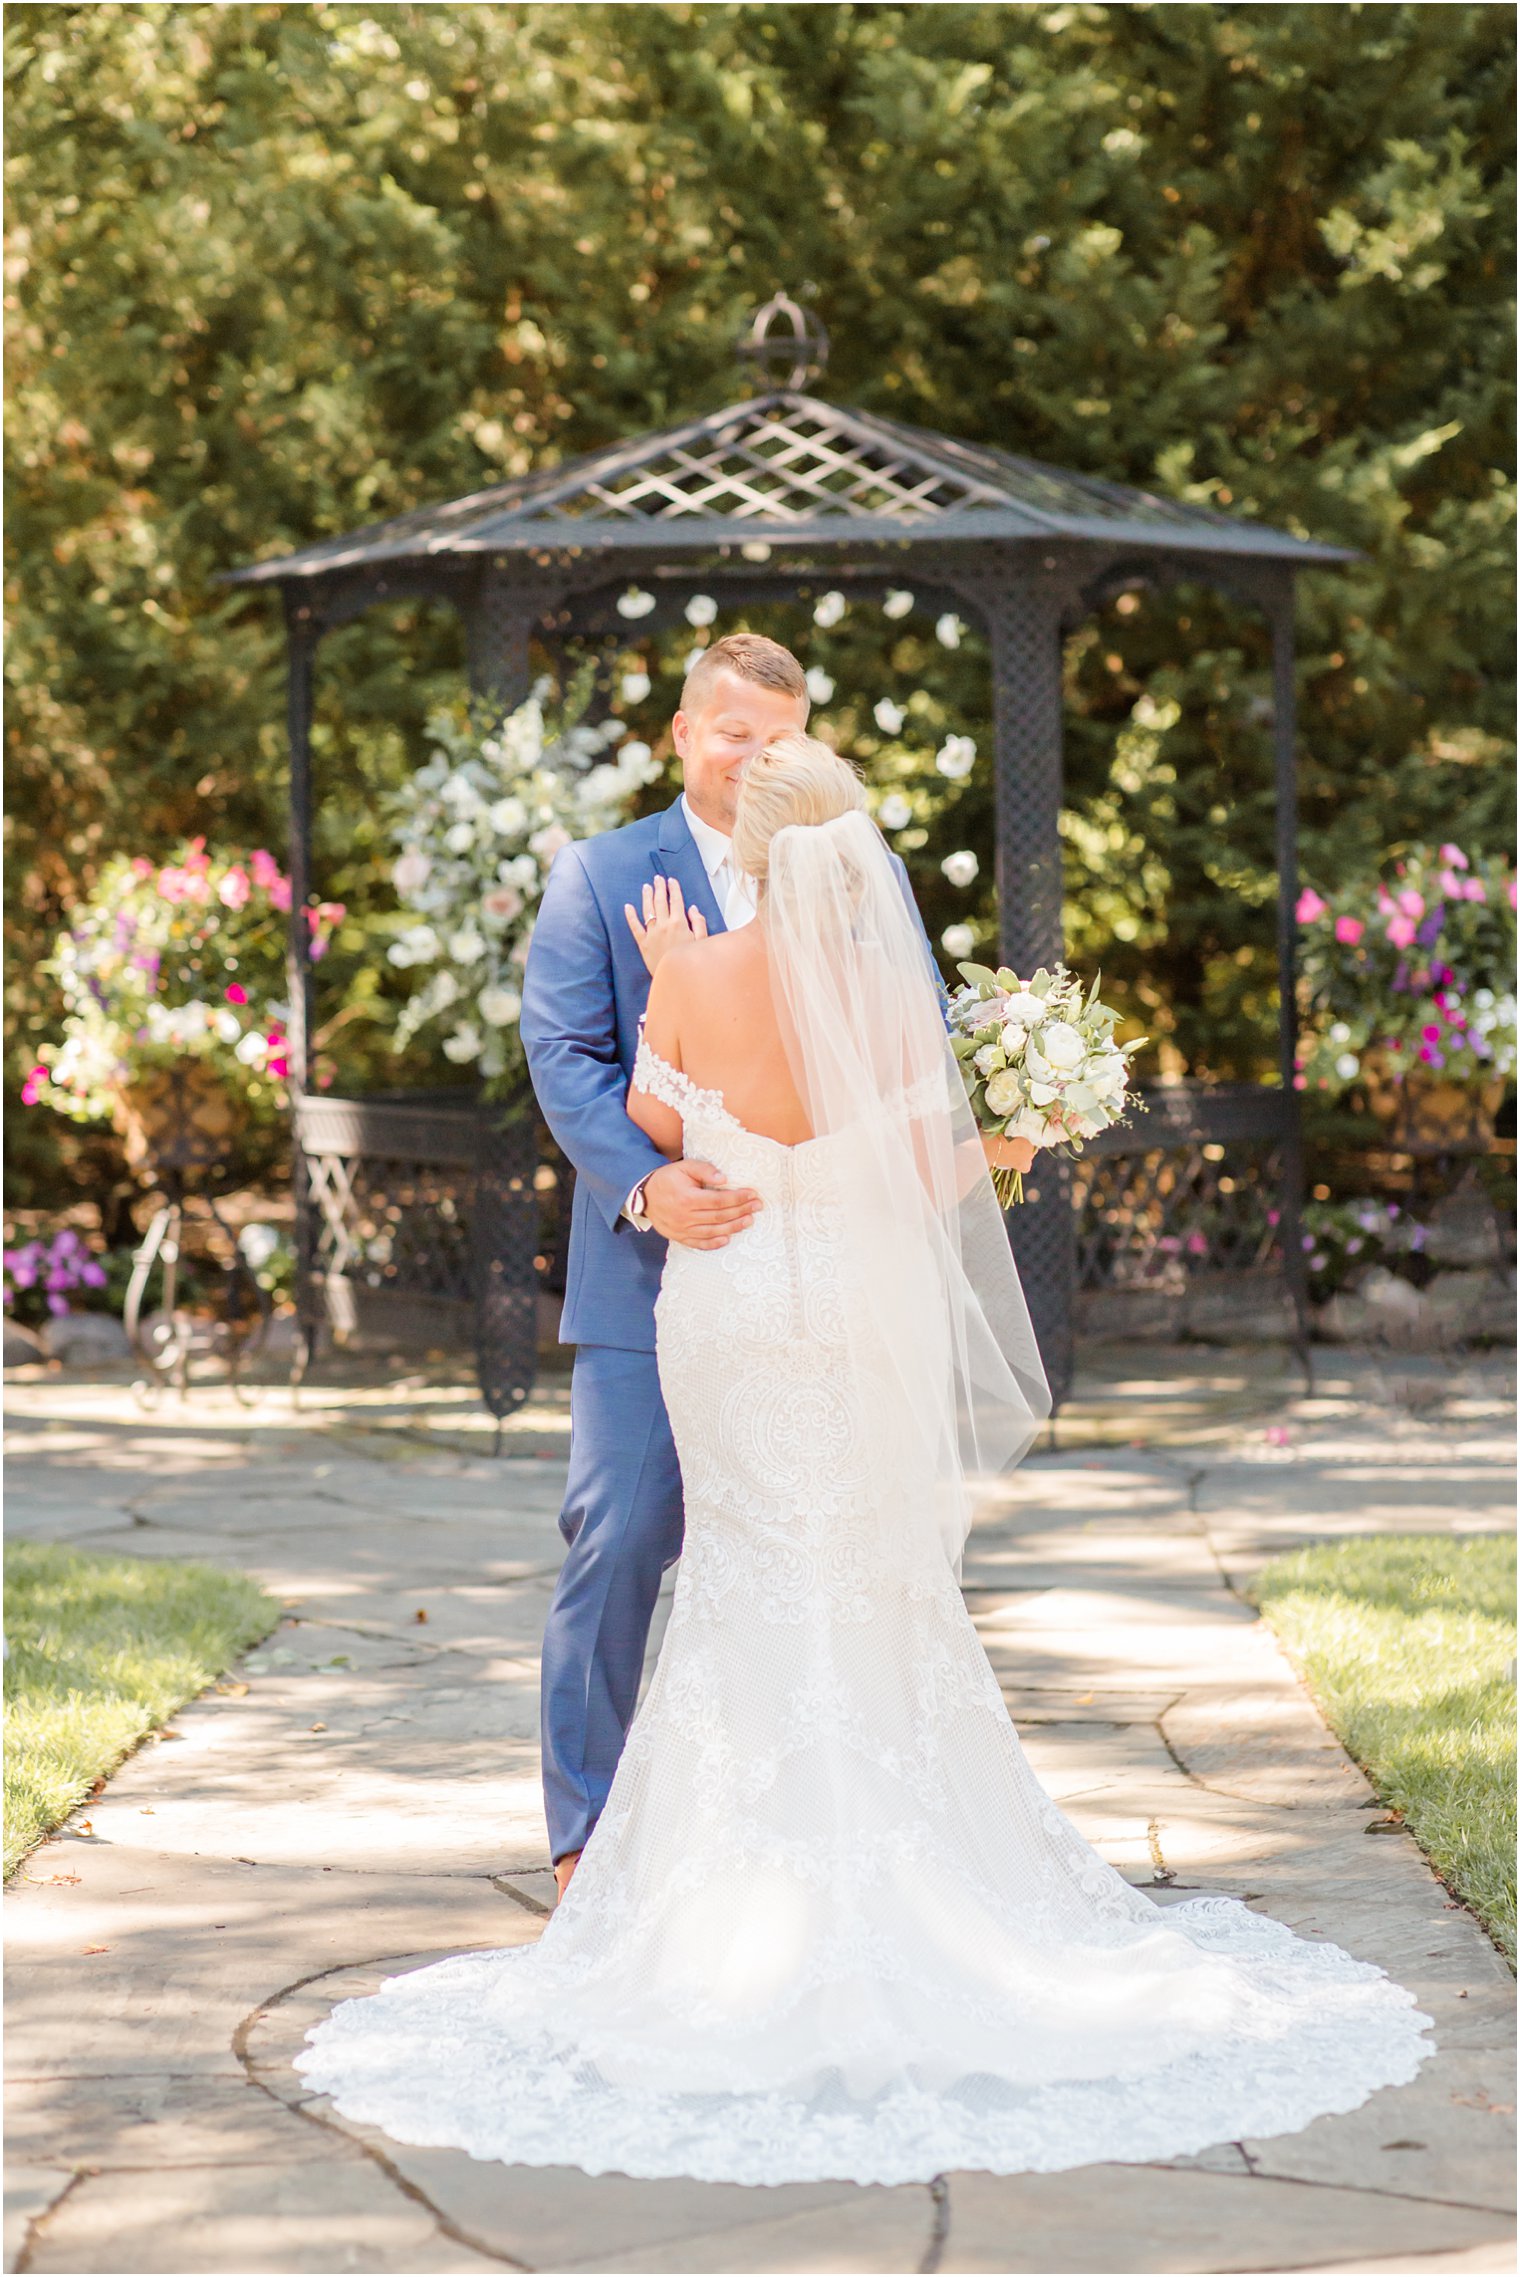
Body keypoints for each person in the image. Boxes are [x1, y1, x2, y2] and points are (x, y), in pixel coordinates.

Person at [296, 730, 1432, 2187]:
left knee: (742, 1572)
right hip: (850, 1318)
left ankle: (705, 1917)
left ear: (748, 848)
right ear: (853, 851)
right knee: (871, 1571)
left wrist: (682, 996)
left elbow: (654, 1122)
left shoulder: (691, 965)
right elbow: (934, 1168)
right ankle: (923, 1885)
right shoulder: (890, 1004)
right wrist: (1020, 1126)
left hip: (728, 1314)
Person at [515, 632, 943, 1901]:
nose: (752, 754)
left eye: (777, 735)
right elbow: (561, 1058)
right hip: (657, 1289)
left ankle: (814, 1828)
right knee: (622, 1533)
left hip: (816, 1288)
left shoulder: (866, 881)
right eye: (729, 731)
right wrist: (649, 1185)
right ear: (680, 734)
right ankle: (586, 1835)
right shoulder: (600, 877)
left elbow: (901, 1053)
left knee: (818, 1552)